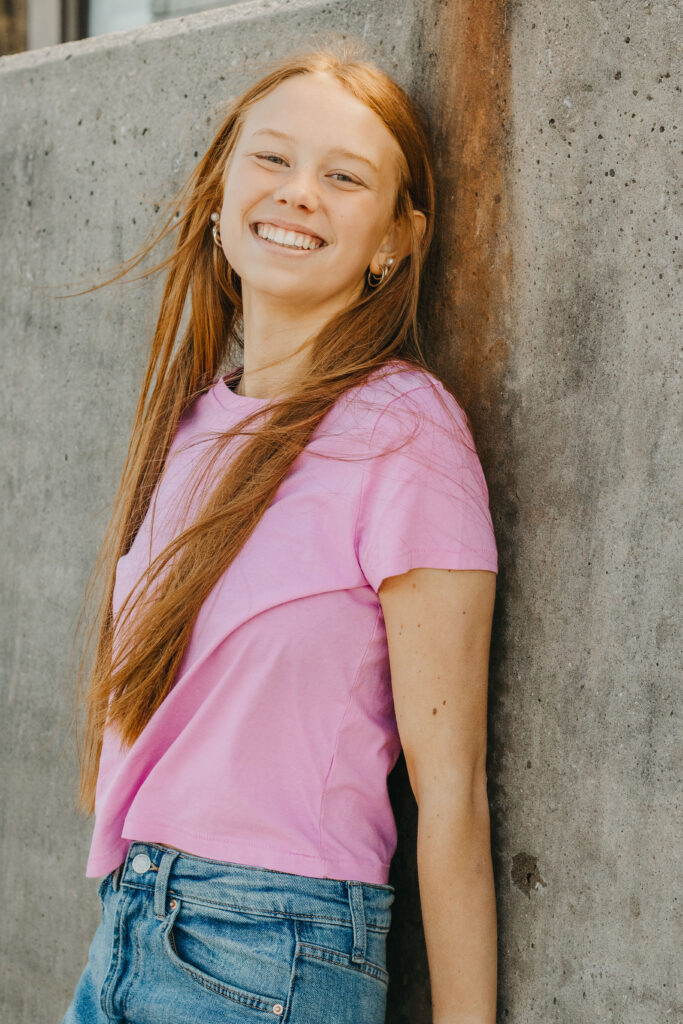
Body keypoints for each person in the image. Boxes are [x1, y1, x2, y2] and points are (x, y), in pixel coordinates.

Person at [63, 43, 499, 1024]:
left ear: (393, 238)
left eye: (343, 177)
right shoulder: (184, 425)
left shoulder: (401, 431)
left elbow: (453, 795)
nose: (299, 192)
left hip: (273, 955)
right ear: (217, 195)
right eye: (272, 159)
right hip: (126, 929)